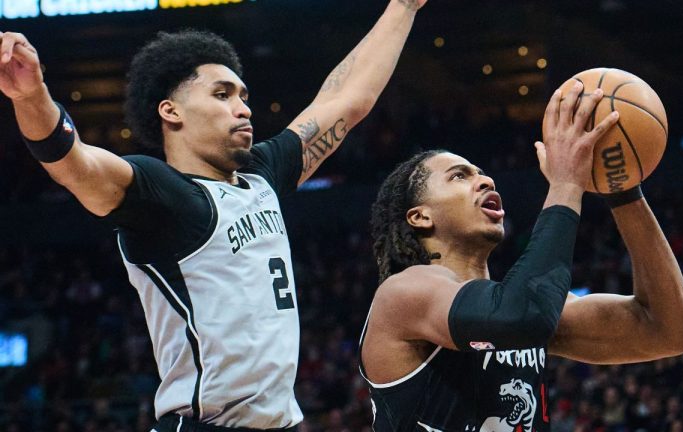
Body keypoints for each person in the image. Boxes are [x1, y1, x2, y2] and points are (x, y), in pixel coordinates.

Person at [0, 0, 426, 430]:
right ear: (171, 111)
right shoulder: (162, 195)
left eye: (243, 96)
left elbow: (348, 99)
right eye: (222, 95)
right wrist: (32, 96)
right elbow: (73, 162)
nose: (243, 108)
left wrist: (403, 7)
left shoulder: (262, 173)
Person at [360, 82, 683, 431]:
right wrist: (566, 184)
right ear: (420, 217)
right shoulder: (403, 295)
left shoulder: (519, 307)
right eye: (459, 176)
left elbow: (672, 331)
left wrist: (620, 187)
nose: (486, 181)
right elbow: (521, 316)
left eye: (482, 173)